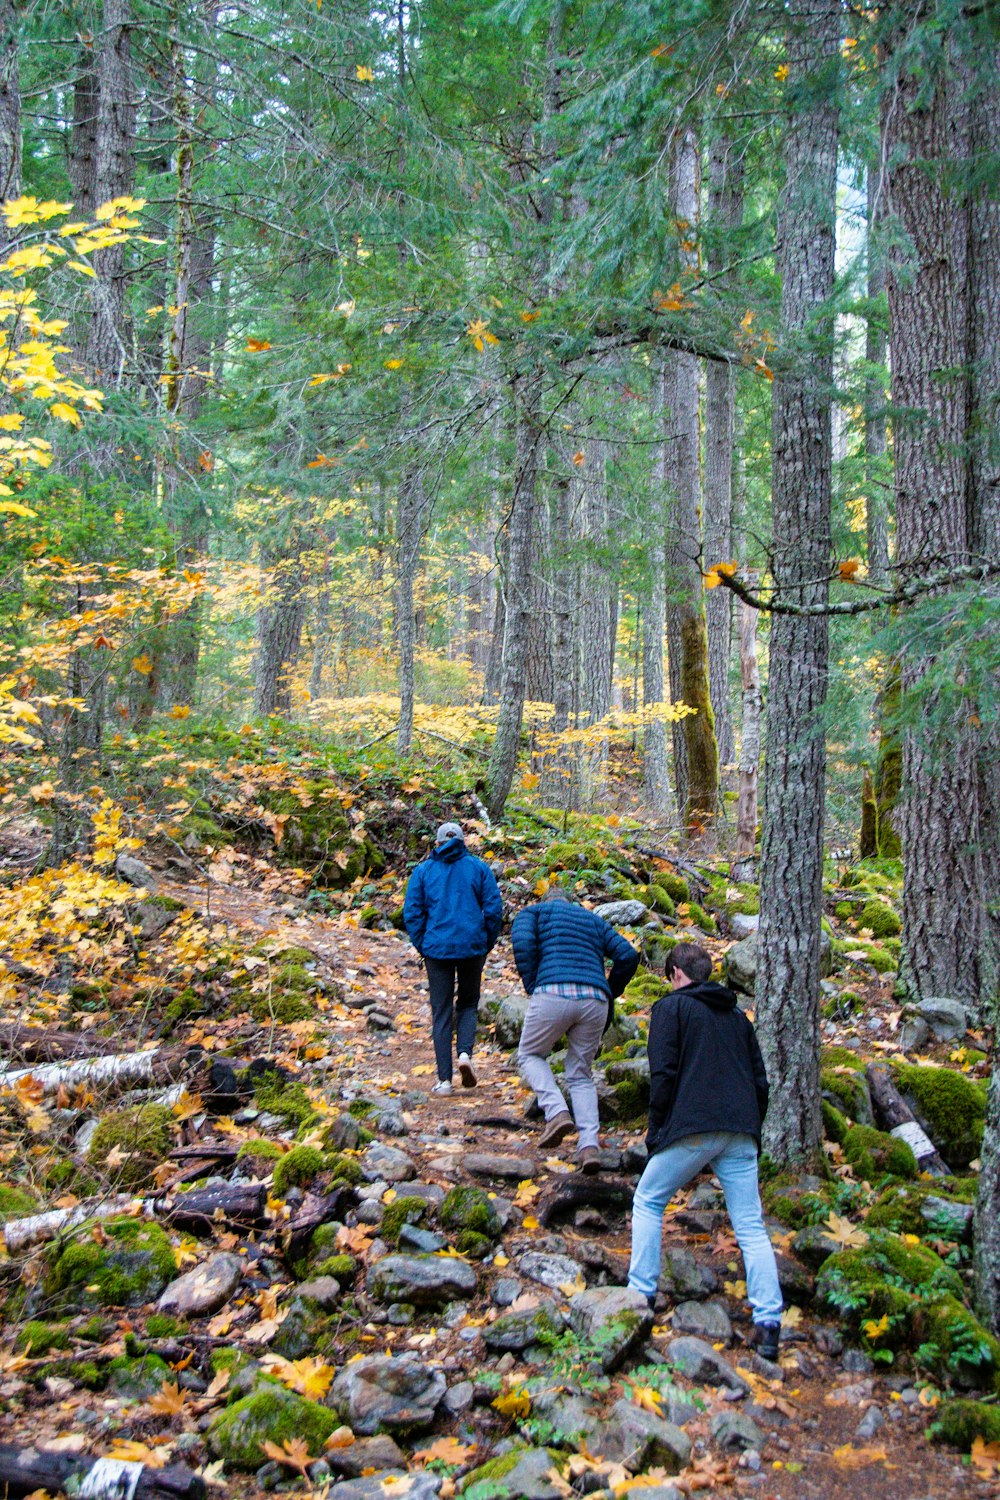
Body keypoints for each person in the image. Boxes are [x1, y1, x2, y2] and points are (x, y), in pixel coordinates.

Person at [626, 940, 784, 1360]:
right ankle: (769, 1324)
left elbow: (663, 1074)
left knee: (648, 1200)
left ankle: (638, 1298)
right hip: (741, 1127)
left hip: (693, 1124)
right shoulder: (737, 1017)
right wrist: (753, 1126)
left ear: (676, 973)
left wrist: (657, 1130)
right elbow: (760, 1080)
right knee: (750, 1225)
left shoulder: (670, 1010)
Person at [512, 889, 640, 1173]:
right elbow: (628, 955)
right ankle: (589, 1146)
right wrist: (609, 991)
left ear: (547, 900)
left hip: (553, 991)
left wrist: (533, 984)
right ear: (570, 902)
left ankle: (556, 1112)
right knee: (581, 1074)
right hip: (595, 1000)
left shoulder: (534, 913)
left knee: (530, 1054)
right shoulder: (591, 919)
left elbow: (522, 943)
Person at [403, 821, 503, 1095]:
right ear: (462, 842)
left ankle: (444, 1081)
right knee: (469, 1003)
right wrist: (486, 942)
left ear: (437, 843)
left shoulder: (423, 871)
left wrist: (423, 944)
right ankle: (465, 1054)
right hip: (472, 947)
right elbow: (494, 909)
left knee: (442, 1011)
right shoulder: (479, 869)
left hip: (437, 950)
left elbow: (412, 913)